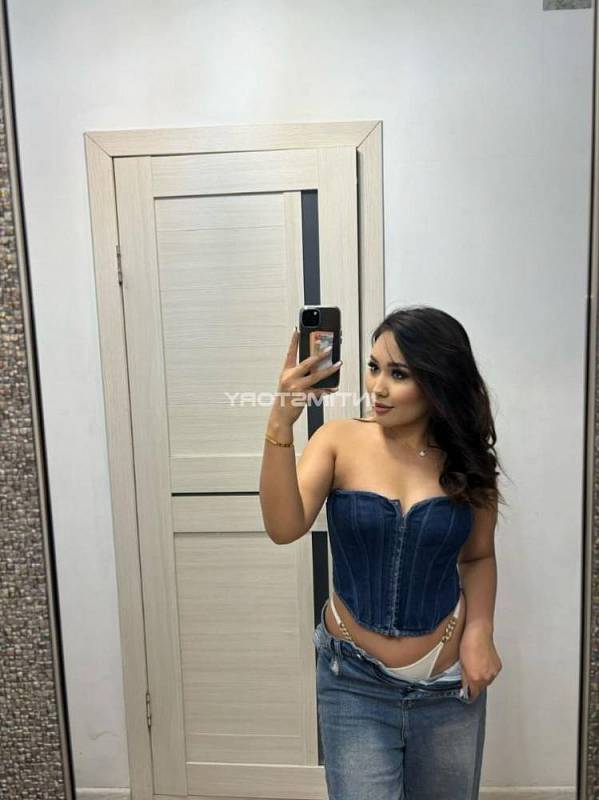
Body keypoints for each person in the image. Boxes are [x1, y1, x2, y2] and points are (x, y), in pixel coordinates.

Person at [259, 305, 504, 799]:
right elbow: (284, 528)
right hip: (352, 681)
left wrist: (480, 631)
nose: (378, 387)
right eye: (374, 367)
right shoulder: (339, 440)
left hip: (447, 687)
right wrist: (281, 423)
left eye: (399, 374)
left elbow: (477, 557)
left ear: (438, 382)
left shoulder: (468, 460)